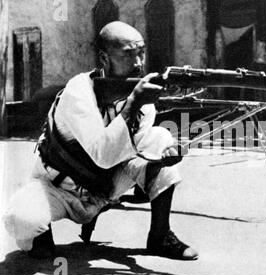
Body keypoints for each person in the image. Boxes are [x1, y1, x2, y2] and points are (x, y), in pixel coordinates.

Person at [2, 21, 198, 261]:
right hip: (57, 189)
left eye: (141, 53)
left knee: (161, 138)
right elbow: (103, 154)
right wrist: (133, 101)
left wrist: (161, 159)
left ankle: (160, 235)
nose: (138, 63)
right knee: (22, 219)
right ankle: (41, 237)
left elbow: (128, 155)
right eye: (128, 55)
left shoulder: (143, 99)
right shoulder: (78, 92)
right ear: (104, 58)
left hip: (103, 187)